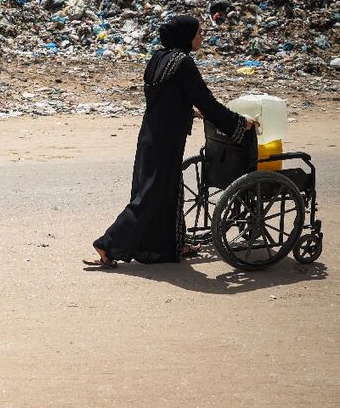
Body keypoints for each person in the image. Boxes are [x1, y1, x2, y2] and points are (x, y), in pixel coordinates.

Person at [85, 15, 257, 268]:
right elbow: (206, 101)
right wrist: (239, 123)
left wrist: (188, 111)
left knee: (166, 192)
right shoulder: (183, 63)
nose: (203, 36)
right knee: (151, 196)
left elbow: (167, 97)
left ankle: (169, 246)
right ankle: (107, 244)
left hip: (151, 134)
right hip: (166, 139)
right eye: (199, 32)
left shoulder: (159, 58)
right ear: (185, 35)